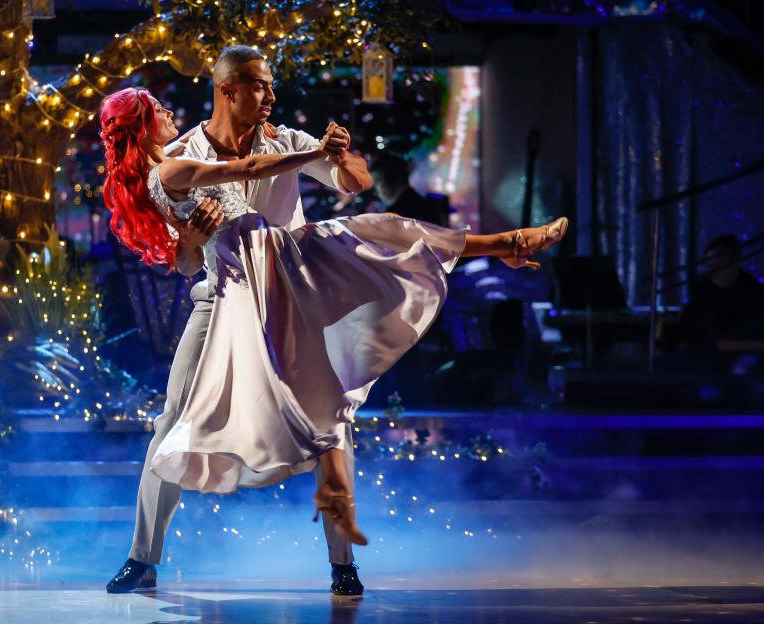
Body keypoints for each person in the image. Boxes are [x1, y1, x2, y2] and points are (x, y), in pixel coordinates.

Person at [103, 49, 568, 597]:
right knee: (172, 423)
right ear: (227, 90)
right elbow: (183, 262)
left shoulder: (290, 141)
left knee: (333, 415)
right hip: (224, 301)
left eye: (271, 86)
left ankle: (343, 564)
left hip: (296, 295)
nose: (271, 97)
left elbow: (353, 183)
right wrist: (194, 241)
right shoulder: (180, 159)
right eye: (259, 85)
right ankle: (142, 557)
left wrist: (341, 158)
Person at [680, 234, 764, 346]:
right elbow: (689, 326)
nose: (713, 265)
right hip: (705, 355)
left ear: (733, 259)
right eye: (710, 260)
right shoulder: (702, 291)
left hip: (744, 355)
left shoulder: (753, 291)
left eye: (718, 259)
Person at [371, 153, 450, 227]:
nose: (375, 192)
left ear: (391, 180)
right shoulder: (426, 204)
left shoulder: (393, 217)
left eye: (377, 182)